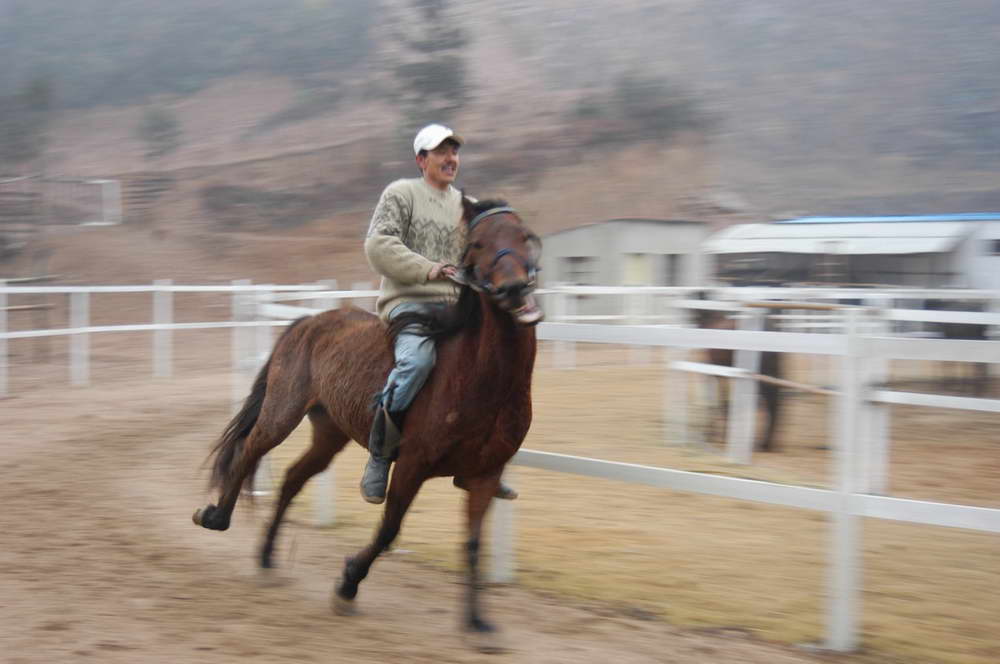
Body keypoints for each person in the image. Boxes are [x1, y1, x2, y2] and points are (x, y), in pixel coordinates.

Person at [361, 123, 518, 505]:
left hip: (457, 308)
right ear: (421, 160)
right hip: (409, 302)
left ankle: (482, 463)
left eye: (454, 152)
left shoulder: (469, 205)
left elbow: (483, 252)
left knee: (497, 366)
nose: (451, 159)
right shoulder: (401, 194)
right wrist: (427, 268)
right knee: (416, 363)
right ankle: (380, 455)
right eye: (441, 152)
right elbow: (377, 246)